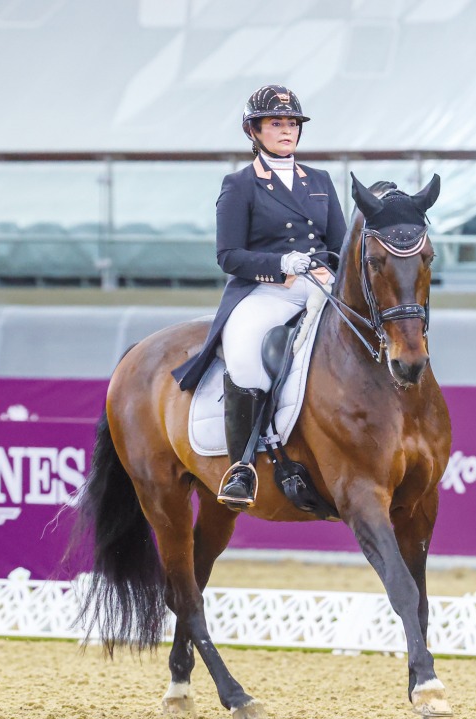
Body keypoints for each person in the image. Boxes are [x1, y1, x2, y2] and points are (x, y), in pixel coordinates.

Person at [171, 85, 347, 510]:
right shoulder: (240, 185)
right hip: (267, 290)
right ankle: (243, 466)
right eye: (276, 124)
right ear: (254, 130)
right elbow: (228, 255)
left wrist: (331, 265)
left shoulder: (319, 181)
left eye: (292, 125)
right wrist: (280, 264)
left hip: (319, 287)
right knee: (246, 355)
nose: (286, 131)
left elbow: (340, 243)